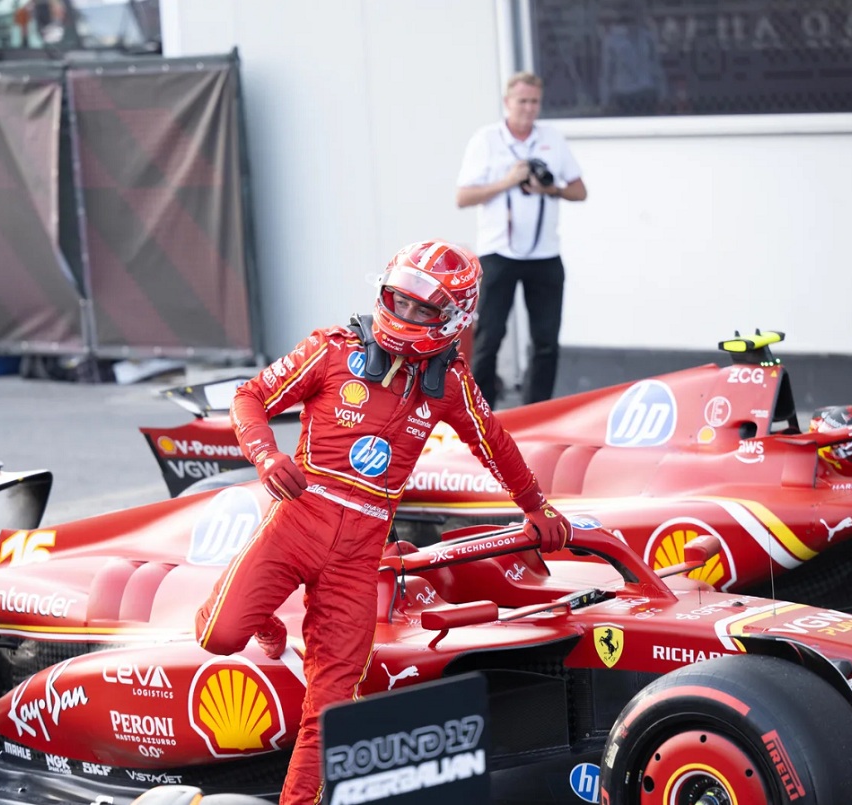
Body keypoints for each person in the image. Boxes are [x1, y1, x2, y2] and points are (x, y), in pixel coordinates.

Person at [194, 240, 572, 805]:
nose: (409, 315)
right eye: (401, 300)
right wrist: (266, 456)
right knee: (219, 637)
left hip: (359, 555)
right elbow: (249, 397)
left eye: (426, 309)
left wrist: (535, 505)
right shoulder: (329, 349)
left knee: (332, 699)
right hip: (298, 519)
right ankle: (264, 619)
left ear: (456, 318)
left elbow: (495, 444)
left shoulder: (452, 386)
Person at [456, 71, 588, 410]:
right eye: (522, 101)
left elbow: (579, 190)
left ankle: (536, 410)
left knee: (546, 340)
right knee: (490, 335)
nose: (529, 108)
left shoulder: (552, 138)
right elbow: (463, 197)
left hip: (545, 255)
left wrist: (550, 189)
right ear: (507, 103)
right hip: (499, 253)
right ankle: (480, 411)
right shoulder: (486, 140)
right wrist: (507, 181)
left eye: (534, 102)